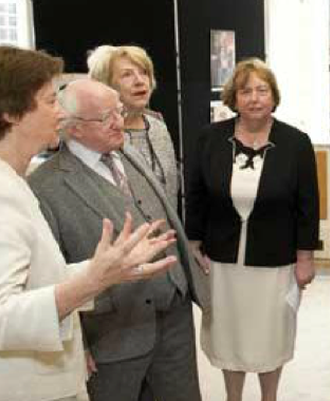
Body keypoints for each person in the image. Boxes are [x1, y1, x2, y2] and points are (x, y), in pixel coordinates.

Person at [0, 46, 178, 401]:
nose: (61, 113)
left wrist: (107, 268)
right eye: (49, 101)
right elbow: (0, 317)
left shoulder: (3, 177)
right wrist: (95, 279)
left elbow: (36, 280)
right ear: (10, 113)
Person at [28, 79, 208, 401]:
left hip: (174, 319)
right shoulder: (44, 187)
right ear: (74, 128)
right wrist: (76, 344)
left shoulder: (128, 152)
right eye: (106, 117)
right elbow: (48, 273)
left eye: (119, 111)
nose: (119, 122)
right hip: (112, 335)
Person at [185, 58, 319, 401]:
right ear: (234, 97)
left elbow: (308, 206)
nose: (254, 98)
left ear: (274, 96)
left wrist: (306, 257)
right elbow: (196, 193)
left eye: (262, 90)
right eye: (246, 91)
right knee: (230, 334)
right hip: (223, 260)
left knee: (270, 334)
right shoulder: (209, 138)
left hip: (276, 260)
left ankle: (268, 397)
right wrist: (193, 241)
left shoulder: (296, 142)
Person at [87, 45, 181, 211]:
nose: (139, 81)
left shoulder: (158, 125)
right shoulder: (98, 134)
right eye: (127, 74)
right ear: (106, 84)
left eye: (144, 72)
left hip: (168, 234)